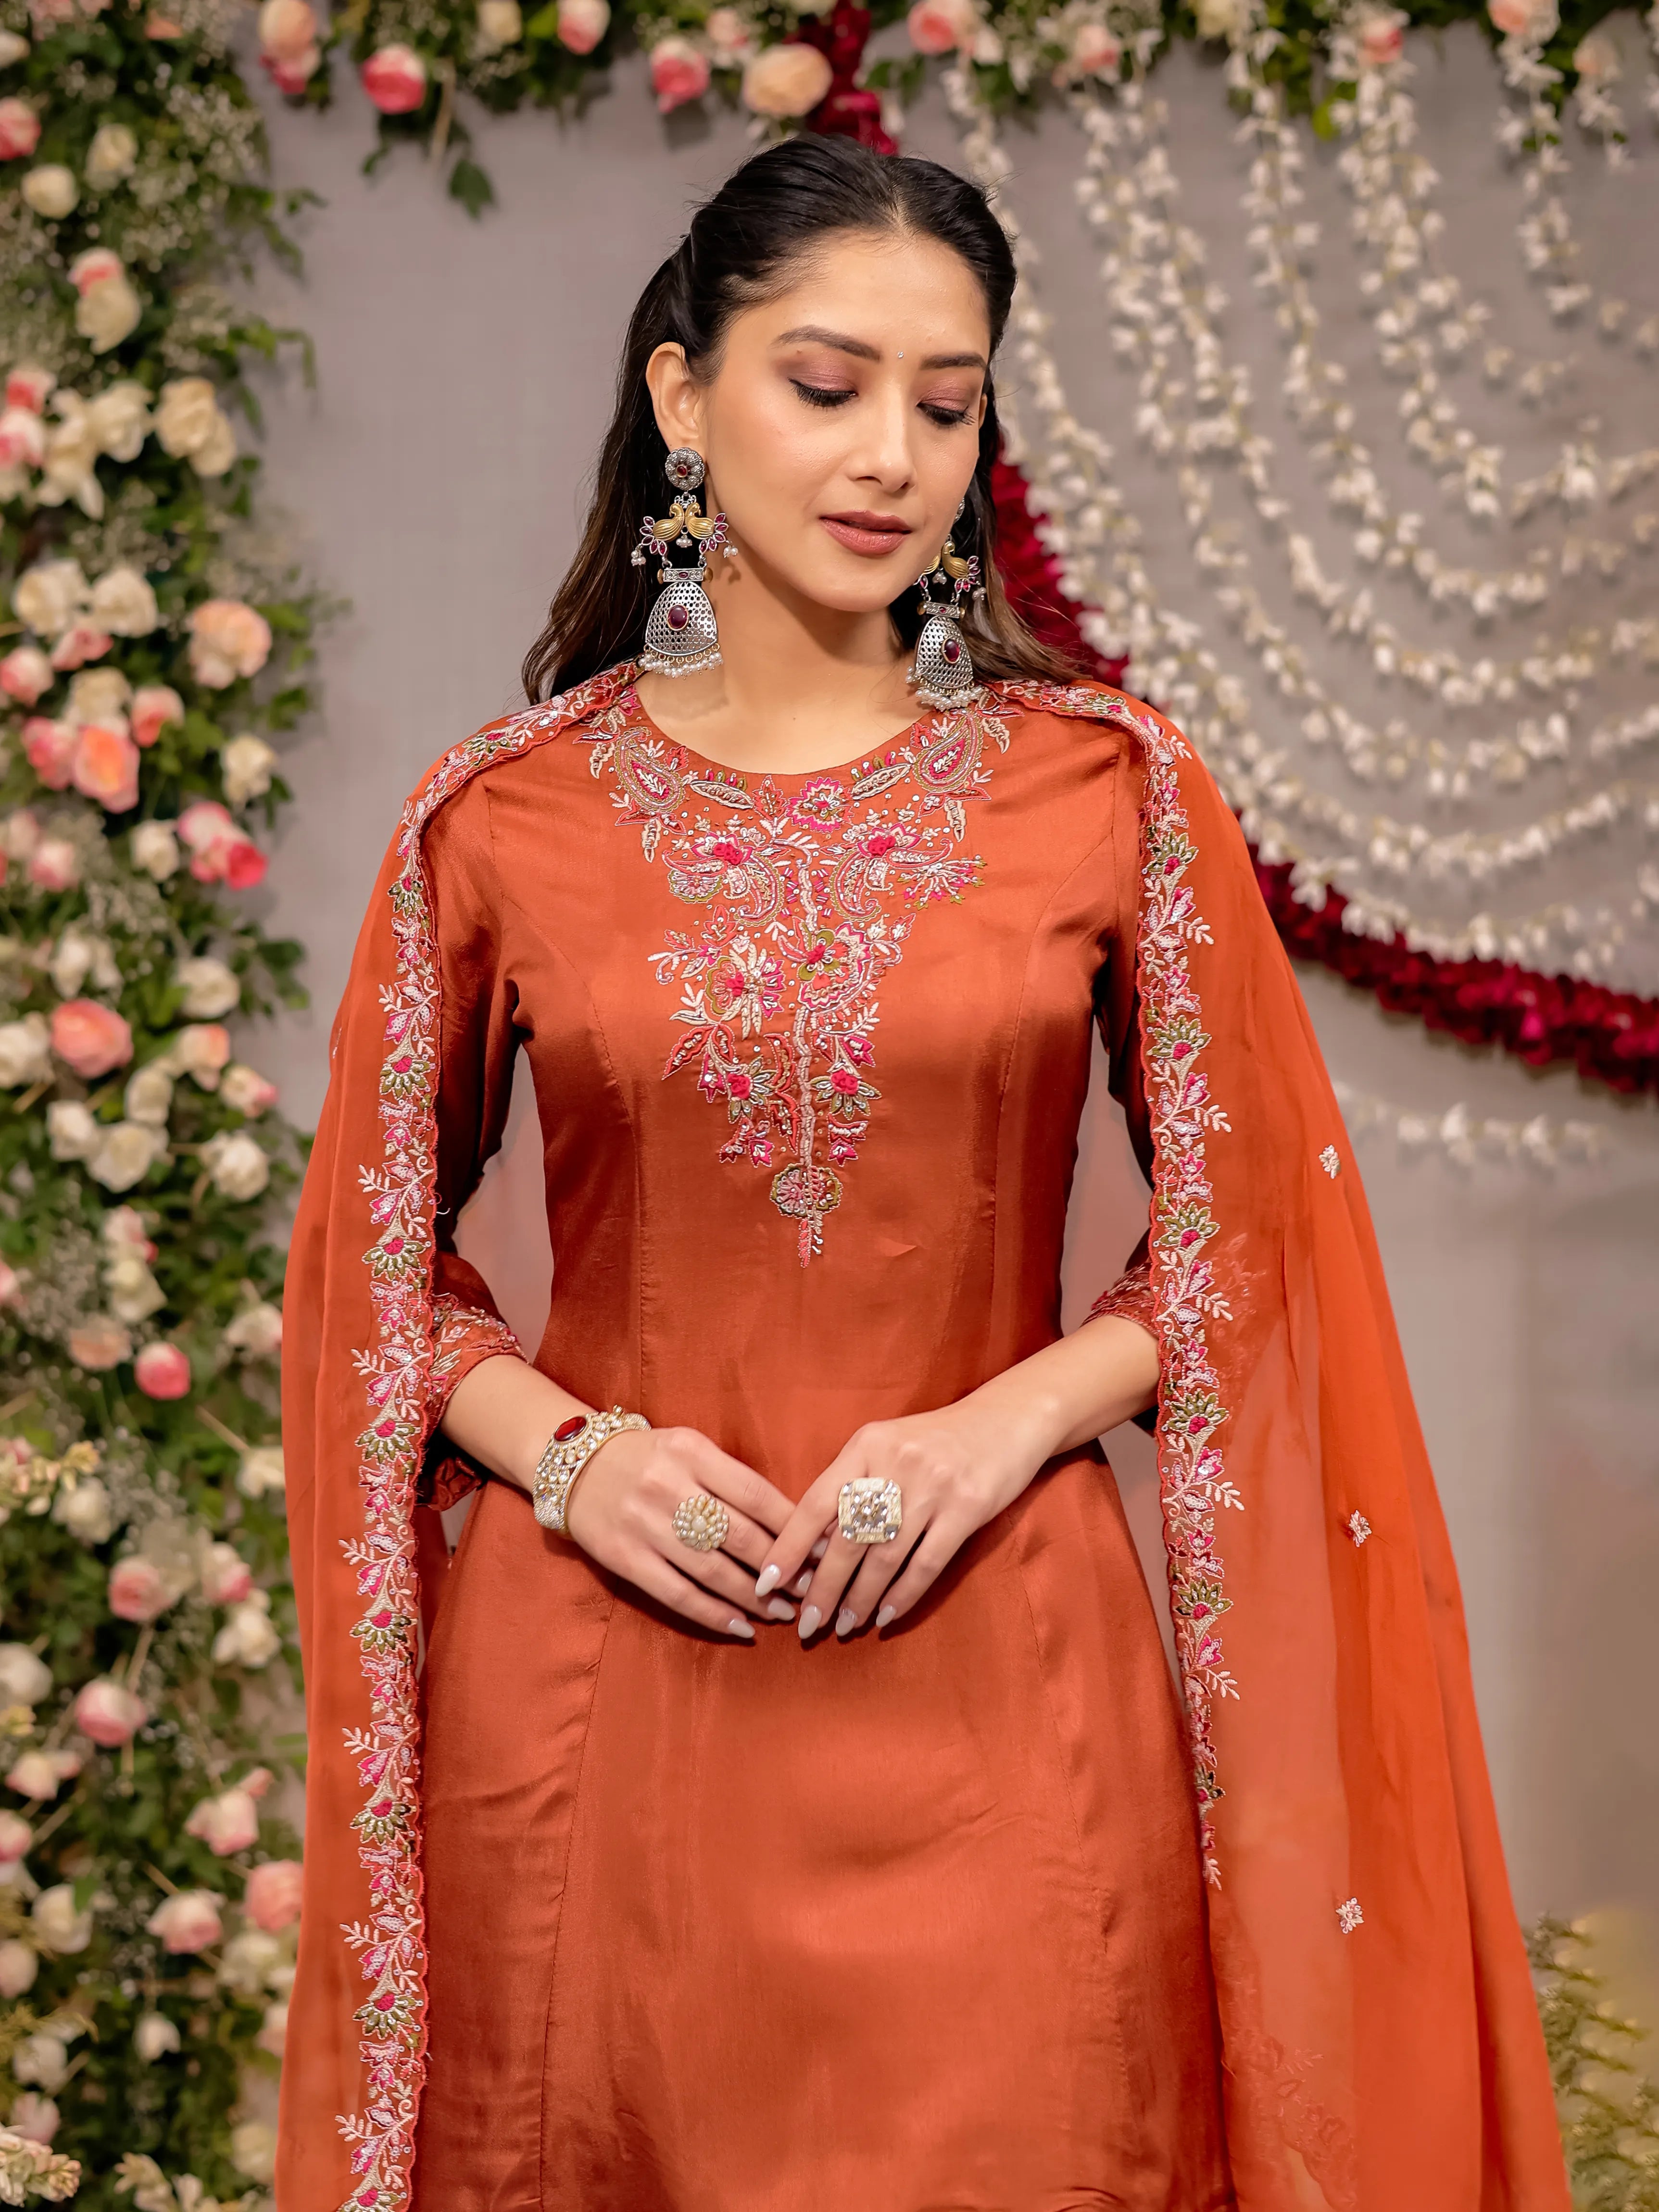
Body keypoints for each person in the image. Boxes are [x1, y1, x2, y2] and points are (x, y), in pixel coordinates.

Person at [277, 135, 1569, 2212]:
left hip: (997, 1665)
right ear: (683, 397)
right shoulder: (499, 822)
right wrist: (570, 1453)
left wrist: (1001, 1425)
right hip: (605, 1699)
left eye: (946, 401)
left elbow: (1256, 1231)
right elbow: (364, 1269)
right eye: (825, 382)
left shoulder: (1108, 795)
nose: (891, 451)